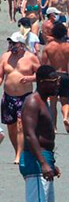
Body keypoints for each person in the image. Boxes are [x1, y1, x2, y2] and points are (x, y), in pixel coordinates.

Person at [19, 66, 60, 202]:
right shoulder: (33, 102)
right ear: (42, 83)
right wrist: (43, 162)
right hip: (35, 159)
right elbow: (30, 134)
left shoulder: (44, 101)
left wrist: (50, 162)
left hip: (43, 157)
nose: (57, 85)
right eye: (53, 82)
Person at [1, 33, 39, 164]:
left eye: (14, 43)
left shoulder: (31, 58)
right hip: (8, 96)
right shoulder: (5, 56)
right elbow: (1, 76)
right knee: (10, 126)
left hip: (24, 96)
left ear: (22, 45)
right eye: (10, 43)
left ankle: (18, 155)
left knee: (20, 125)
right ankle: (18, 149)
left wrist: (31, 78)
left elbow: (41, 74)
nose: (11, 46)